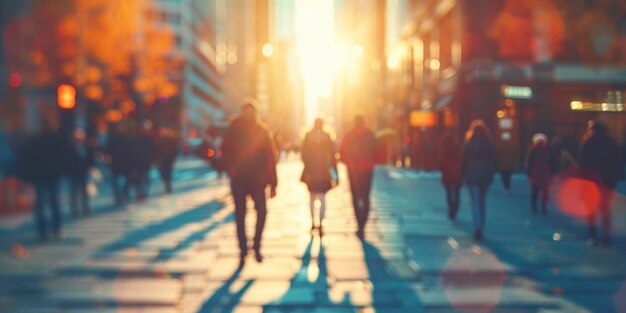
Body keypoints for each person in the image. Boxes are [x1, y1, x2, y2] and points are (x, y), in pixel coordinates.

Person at [221, 98, 277, 265]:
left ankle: (257, 246)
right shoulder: (233, 129)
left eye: (252, 111)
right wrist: (231, 168)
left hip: (258, 180)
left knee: (262, 211)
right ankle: (243, 250)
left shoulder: (262, 130)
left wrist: (273, 183)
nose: (249, 114)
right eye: (246, 111)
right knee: (240, 215)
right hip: (239, 179)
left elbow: (270, 157)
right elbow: (224, 151)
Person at [579, 121, 624, 246]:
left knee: (591, 211)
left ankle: (592, 236)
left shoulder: (589, 142)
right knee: (605, 211)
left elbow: (583, 163)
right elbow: (617, 163)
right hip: (607, 182)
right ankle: (607, 237)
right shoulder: (611, 143)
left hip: (592, 182)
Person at [22, 115, 66, 241]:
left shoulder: (36, 140)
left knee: (44, 205)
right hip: (48, 176)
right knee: (52, 204)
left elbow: (28, 160)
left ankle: (46, 231)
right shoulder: (53, 140)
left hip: (43, 176)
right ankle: (54, 229)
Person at [339, 115, 378, 240]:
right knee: (365, 197)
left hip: (353, 171)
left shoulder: (349, 136)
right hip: (367, 169)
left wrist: (349, 163)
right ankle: (363, 224)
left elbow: (341, 152)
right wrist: (372, 162)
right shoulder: (370, 135)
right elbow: (378, 150)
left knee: (355, 197)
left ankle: (359, 224)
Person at [301, 118, 338, 236]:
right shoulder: (327, 137)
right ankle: (321, 223)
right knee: (322, 198)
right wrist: (335, 176)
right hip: (323, 172)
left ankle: (313, 222)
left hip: (311, 171)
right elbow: (333, 158)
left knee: (312, 198)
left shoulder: (308, 136)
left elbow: (304, 156)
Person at [461, 120, 496, 241]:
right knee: (482, 201)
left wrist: (462, 175)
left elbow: (464, 161)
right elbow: (493, 160)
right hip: (485, 175)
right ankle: (481, 225)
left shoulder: (469, 144)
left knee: (475, 202)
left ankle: (477, 225)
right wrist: (491, 172)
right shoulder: (489, 143)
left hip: (472, 174)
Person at [67, 128, 94, 217]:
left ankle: (86, 208)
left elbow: (90, 159)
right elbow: (67, 161)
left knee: (84, 192)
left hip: (83, 173)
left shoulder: (86, 147)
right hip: (74, 174)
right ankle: (75, 210)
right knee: (74, 193)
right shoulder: (70, 148)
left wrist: (89, 167)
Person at [438, 132, 463, 221]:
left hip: (447, 175)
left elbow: (441, 163)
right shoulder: (458, 148)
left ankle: (450, 210)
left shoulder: (444, 150)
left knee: (449, 194)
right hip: (457, 174)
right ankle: (455, 210)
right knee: (457, 194)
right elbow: (461, 160)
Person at [526, 133, 551, 216]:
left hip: (535, 173)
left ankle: (534, 207)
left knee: (535, 191)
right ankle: (544, 208)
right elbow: (551, 163)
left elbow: (529, 163)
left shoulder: (533, 150)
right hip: (544, 173)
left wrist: (529, 174)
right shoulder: (547, 150)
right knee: (544, 192)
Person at [155, 126, 180, 194]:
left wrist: (172, 159)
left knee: (167, 174)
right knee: (163, 174)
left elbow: (174, 151)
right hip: (162, 161)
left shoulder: (170, 141)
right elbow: (156, 151)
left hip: (168, 160)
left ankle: (168, 186)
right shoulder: (158, 141)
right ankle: (166, 185)